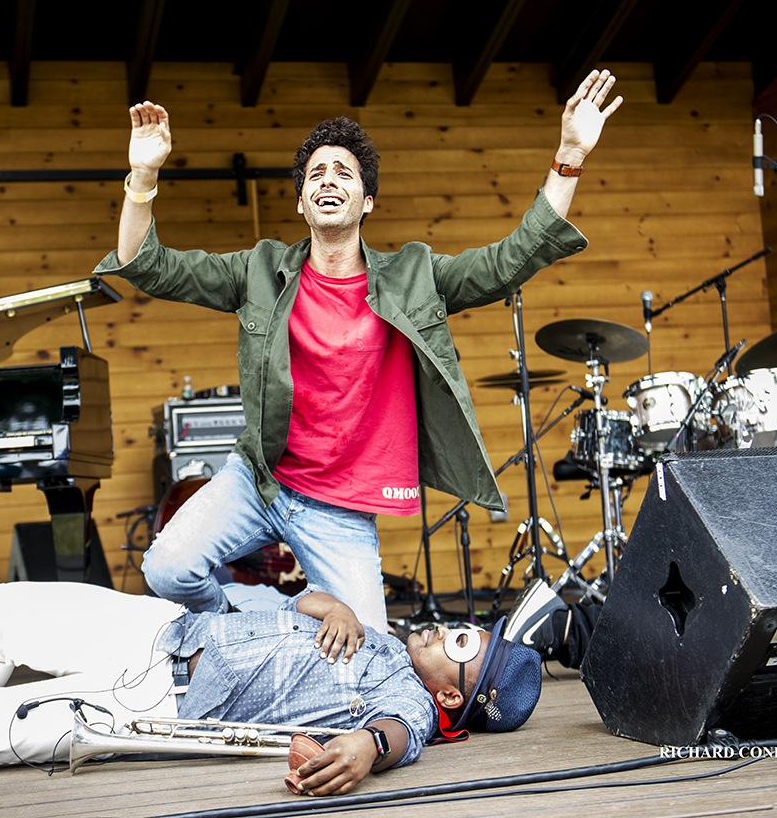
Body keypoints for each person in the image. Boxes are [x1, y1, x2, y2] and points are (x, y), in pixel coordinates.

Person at [94, 70, 623, 633]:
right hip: (261, 478)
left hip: (341, 508)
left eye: (343, 172)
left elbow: (511, 259)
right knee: (168, 570)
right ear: (301, 201)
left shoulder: (415, 275)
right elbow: (145, 265)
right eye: (316, 173)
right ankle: (272, 618)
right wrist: (143, 175)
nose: (329, 179)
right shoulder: (257, 271)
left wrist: (567, 157)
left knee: (369, 650)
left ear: (366, 200)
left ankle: (290, 625)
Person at [0, 582, 541, 795]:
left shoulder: (409, 697)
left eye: (460, 646)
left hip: (152, 699)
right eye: (462, 628)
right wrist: (329, 602)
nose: (446, 631)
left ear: (452, 698)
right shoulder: (382, 638)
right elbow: (293, 603)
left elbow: (397, 734)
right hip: (161, 626)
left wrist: (365, 749)